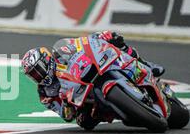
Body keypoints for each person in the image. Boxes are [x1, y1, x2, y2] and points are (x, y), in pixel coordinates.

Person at [21, 31, 165, 129]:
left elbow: (81, 43)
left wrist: (99, 36)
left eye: (38, 70)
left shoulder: (61, 53)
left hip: (91, 71)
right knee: (84, 122)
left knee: (114, 39)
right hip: (83, 100)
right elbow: (65, 116)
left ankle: (146, 64)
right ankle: (123, 110)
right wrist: (66, 106)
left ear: (46, 60)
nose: (37, 76)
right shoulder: (45, 93)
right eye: (33, 75)